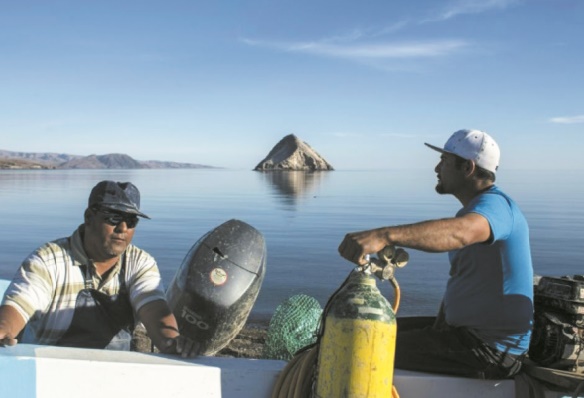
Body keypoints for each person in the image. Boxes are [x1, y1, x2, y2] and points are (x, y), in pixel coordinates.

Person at [338, 129, 533, 379]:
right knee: (360, 328)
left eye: (445, 161)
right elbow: (466, 278)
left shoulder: (496, 207)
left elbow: (460, 233)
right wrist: (441, 322)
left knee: (354, 343)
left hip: (488, 350)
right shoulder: (475, 210)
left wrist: (384, 235)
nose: (436, 168)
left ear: (468, 168)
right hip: (462, 334)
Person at [0, 180, 199, 357]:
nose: (122, 228)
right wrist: (4, 327)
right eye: (113, 217)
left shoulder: (140, 263)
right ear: (89, 217)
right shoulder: (48, 259)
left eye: (131, 221)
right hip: (49, 368)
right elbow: (20, 304)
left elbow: (154, 308)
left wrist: (171, 341)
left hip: (113, 371)